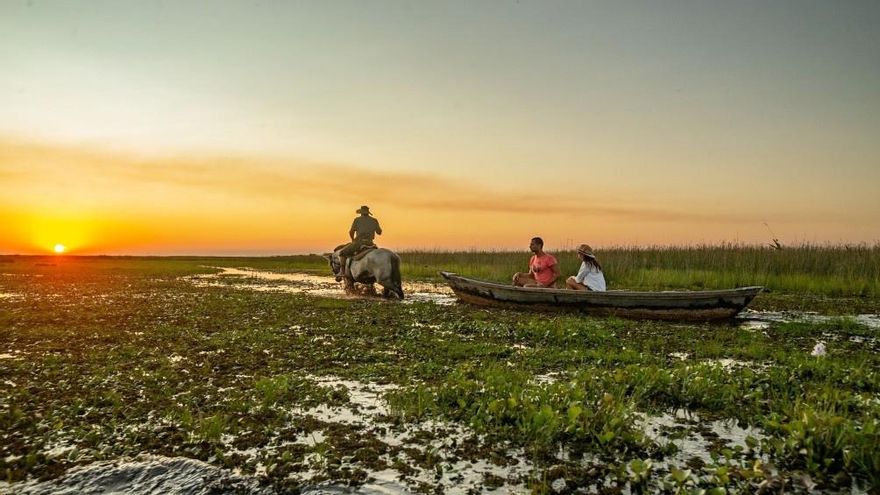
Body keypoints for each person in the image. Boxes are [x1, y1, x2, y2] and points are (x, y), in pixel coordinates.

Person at [339, 205, 382, 282]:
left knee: (342, 253)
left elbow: (351, 232)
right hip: (370, 243)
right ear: (368, 213)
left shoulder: (357, 220)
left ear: (361, 213)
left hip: (359, 242)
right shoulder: (374, 220)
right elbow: (379, 232)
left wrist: (353, 240)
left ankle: (342, 271)